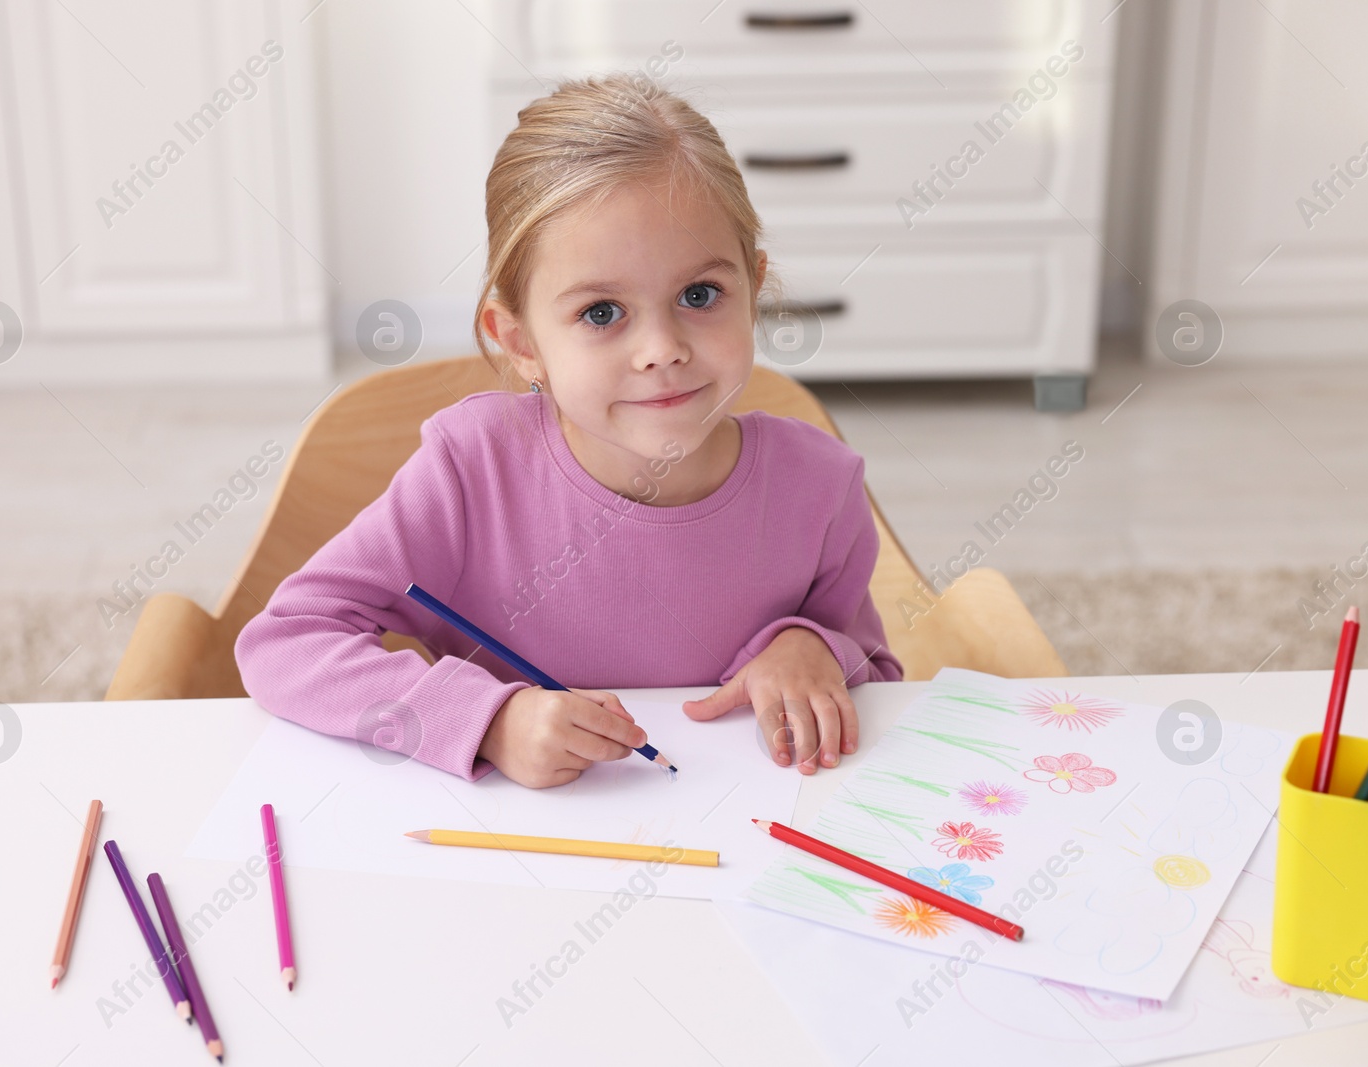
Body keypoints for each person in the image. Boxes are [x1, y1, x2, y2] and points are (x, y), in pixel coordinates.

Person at [235, 72, 902, 788]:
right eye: (602, 313)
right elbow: (287, 640)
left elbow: (877, 670)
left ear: (754, 288)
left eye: (699, 295)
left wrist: (813, 647)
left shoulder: (821, 486)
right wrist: (487, 719)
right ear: (520, 342)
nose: (662, 349)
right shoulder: (471, 470)